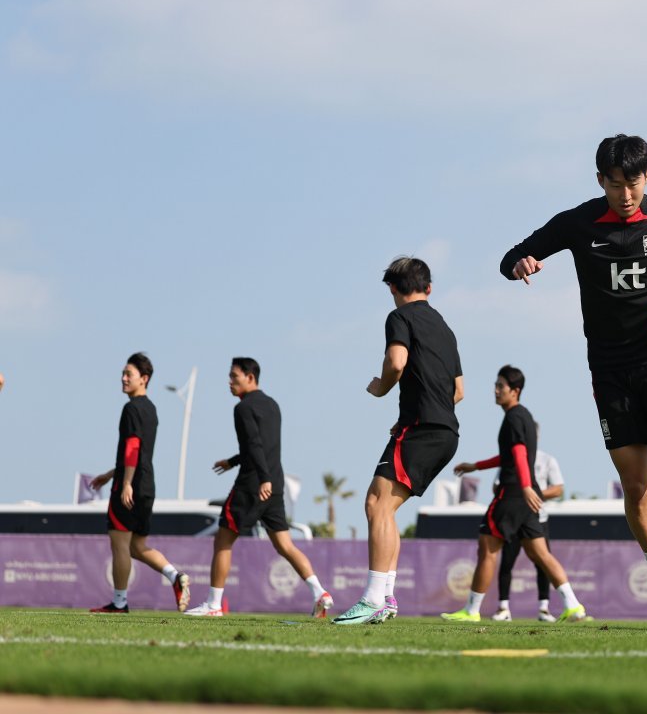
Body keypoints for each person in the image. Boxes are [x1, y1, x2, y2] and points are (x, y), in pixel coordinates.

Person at [500, 134, 647, 632]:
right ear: (600, 180)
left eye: (633, 183)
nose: (625, 195)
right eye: (615, 184)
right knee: (635, 483)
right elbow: (510, 257)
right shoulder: (578, 222)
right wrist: (520, 264)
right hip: (609, 369)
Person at [334, 256, 464, 624]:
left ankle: (374, 598)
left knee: (376, 504)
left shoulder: (400, 318)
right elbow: (458, 390)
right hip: (444, 431)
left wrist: (381, 388)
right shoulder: (445, 327)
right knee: (384, 510)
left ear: (392, 288)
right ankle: (386, 597)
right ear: (429, 288)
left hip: (422, 428)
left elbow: (396, 362)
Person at [186, 358, 331, 617]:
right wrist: (233, 462)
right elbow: (262, 445)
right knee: (285, 545)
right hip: (275, 483)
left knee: (223, 540)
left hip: (254, 484)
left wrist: (262, 478)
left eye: (234, 376)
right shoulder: (272, 404)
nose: (230, 382)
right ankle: (319, 592)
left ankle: (213, 605)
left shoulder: (242, 408)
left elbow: (254, 445)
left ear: (250, 377)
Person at [442, 366, 586, 623]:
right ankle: (573, 605)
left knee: (487, 548)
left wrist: (526, 486)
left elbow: (519, 453)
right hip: (527, 497)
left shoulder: (513, 417)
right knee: (540, 553)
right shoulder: (524, 416)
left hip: (514, 493)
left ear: (515, 391)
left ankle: (472, 611)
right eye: (495, 385)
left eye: (501, 386)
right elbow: (509, 455)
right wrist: (476, 466)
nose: (496, 390)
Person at [89, 353, 190, 614]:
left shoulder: (131, 408)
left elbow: (133, 447)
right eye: (122, 373)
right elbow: (140, 453)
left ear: (144, 379)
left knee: (119, 543)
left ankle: (120, 603)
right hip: (147, 485)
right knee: (137, 547)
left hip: (132, 485)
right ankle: (175, 575)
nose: (123, 378)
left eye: (128, 374)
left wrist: (125, 483)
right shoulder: (151, 409)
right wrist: (112, 473)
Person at [492, 442, 566, 622]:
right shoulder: (510, 458)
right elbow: (496, 486)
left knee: (543, 563)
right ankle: (503, 608)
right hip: (513, 518)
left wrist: (531, 494)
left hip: (537, 518)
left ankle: (544, 608)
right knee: (506, 563)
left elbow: (558, 489)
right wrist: (516, 495)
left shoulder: (547, 459)